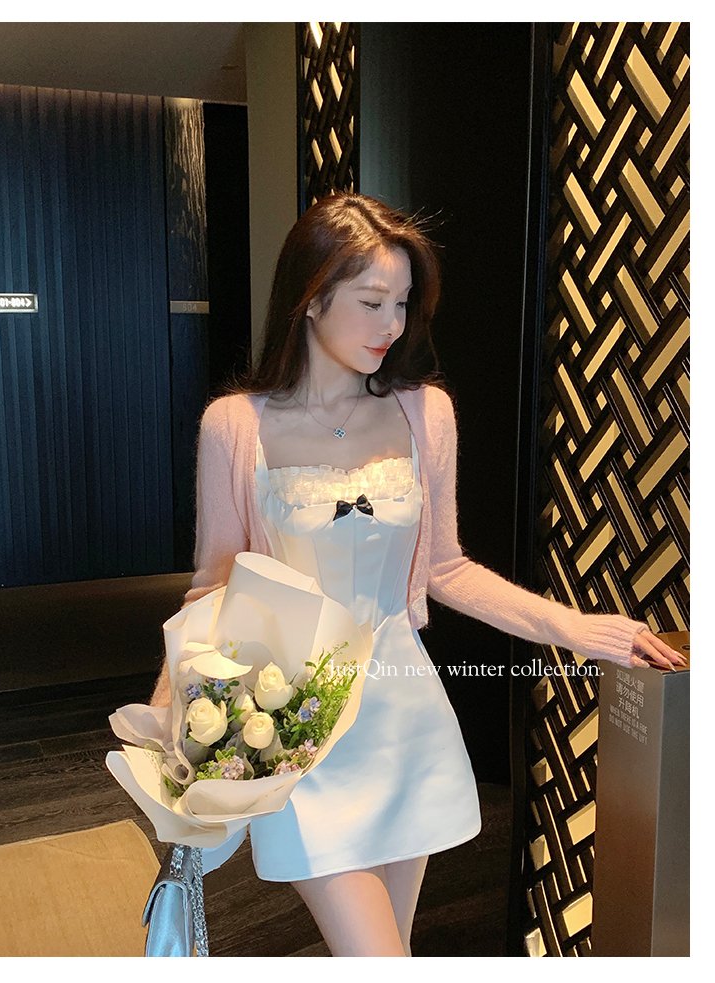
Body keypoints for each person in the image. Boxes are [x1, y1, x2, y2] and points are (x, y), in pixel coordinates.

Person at [150, 193, 684, 957]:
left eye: (402, 303)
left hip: (404, 718)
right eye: (372, 302)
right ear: (310, 299)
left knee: (389, 950)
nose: (392, 325)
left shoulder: (424, 412)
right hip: (295, 725)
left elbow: (447, 569)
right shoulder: (235, 424)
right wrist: (170, 718)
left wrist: (579, 629)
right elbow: (212, 585)